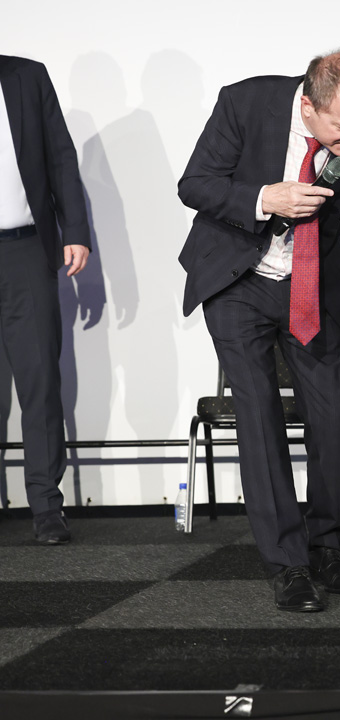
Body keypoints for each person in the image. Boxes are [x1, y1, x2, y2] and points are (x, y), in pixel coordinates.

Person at [178, 49, 340, 612]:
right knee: (259, 414)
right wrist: (265, 197)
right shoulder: (245, 102)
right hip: (237, 279)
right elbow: (195, 184)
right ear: (308, 106)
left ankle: (327, 548)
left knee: (331, 416)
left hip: (311, 283)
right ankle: (287, 564)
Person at [0, 56, 90, 544]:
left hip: (25, 250)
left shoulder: (26, 76)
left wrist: (74, 230)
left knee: (39, 381)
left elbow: (59, 155)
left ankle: (46, 508)